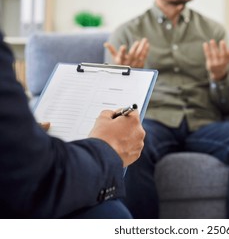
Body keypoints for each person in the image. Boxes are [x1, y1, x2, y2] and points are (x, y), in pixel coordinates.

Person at [104, 0, 229, 219]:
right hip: (154, 124)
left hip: (204, 124)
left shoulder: (213, 31)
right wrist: (130, 78)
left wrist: (219, 77)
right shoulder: (126, 35)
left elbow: (228, 103)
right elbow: (112, 111)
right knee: (127, 142)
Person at [0, 31, 145, 218]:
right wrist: (107, 148)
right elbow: (39, 177)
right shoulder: (130, 29)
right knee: (111, 214)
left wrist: (23, 131)